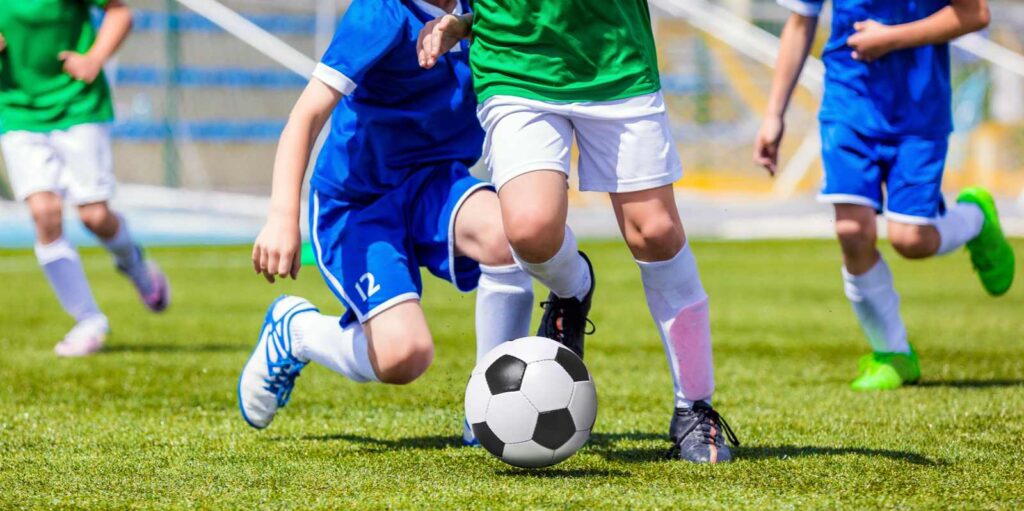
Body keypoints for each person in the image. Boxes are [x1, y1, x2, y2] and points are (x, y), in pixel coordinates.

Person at [418, 1, 740, 463]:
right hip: (517, 61)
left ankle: (694, 407)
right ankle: (573, 288)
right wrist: (464, 22)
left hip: (615, 57)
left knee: (654, 232)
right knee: (530, 229)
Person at [237, 0, 534, 446]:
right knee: (405, 356)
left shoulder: (490, 8)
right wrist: (282, 216)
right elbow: (307, 115)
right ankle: (297, 332)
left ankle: (490, 409)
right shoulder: (379, 13)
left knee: (509, 236)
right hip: (361, 200)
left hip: (435, 181)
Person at [754, 0, 1013, 390]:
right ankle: (893, 353)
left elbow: (975, 13)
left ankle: (974, 218)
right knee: (851, 231)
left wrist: (892, 39)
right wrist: (775, 114)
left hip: (919, 114)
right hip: (848, 104)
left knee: (911, 241)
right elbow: (800, 22)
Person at [0, 0, 170, 357]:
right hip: (16, 111)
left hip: (78, 105)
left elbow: (119, 12)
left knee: (94, 216)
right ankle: (88, 320)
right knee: (44, 213)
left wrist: (94, 58)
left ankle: (135, 264)